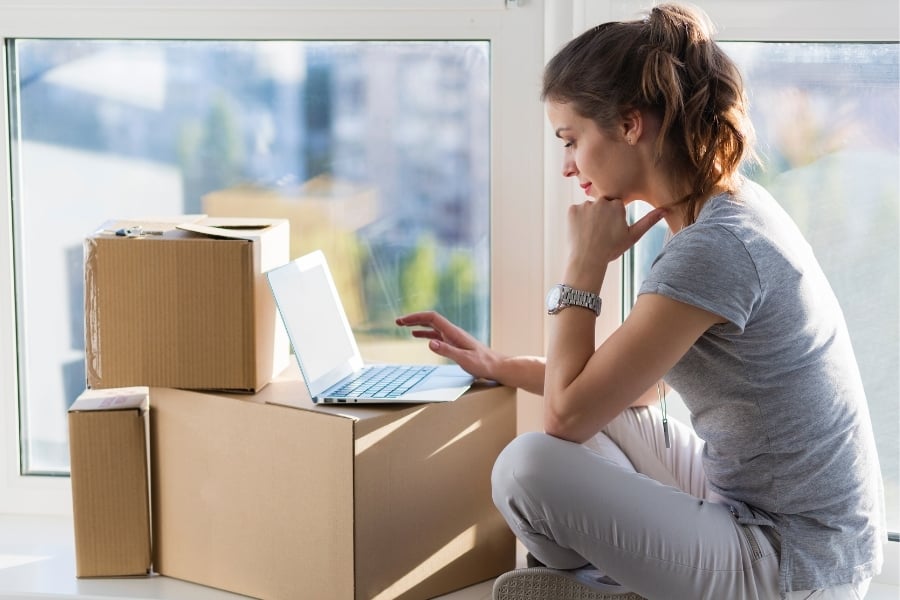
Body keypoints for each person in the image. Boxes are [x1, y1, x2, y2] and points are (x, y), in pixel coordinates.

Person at [396, 3, 886, 600]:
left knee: (528, 468)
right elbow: (634, 391)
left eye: (572, 139)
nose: (567, 165)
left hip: (792, 561)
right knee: (574, 440)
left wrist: (584, 268)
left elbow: (566, 413)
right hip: (749, 503)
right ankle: (626, 585)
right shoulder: (720, 208)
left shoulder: (715, 248)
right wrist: (500, 365)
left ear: (631, 124)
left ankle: (614, 587)